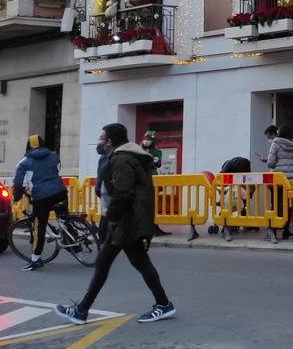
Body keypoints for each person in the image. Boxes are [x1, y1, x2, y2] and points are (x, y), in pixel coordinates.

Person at [54, 123, 175, 325]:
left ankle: (83, 310)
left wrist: (111, 218)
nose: (100, 142)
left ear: (110, 142)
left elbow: (123, 192)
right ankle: (83, 309)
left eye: (102, 138)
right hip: (127, 220)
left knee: (118, 263)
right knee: (124, 263)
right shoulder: (126, 157)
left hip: (125, 221)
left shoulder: (122, 160)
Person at [12, 134, 68, 272]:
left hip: (42, 197)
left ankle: (36, 259)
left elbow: (18, 182)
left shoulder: (25, 161)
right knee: (64, 218)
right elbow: (57, 168)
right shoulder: (54, 155)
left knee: (39, 227)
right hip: (60, 191)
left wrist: (17, 196)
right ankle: (74, 242)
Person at [267, 125, 293, 240]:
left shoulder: (275, 143)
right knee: (289, 205)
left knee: (277, 204)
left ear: (279, 133)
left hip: (280, 179)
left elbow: (270, 163)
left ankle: (273, 229)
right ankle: (286, 231)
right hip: (292, 180)